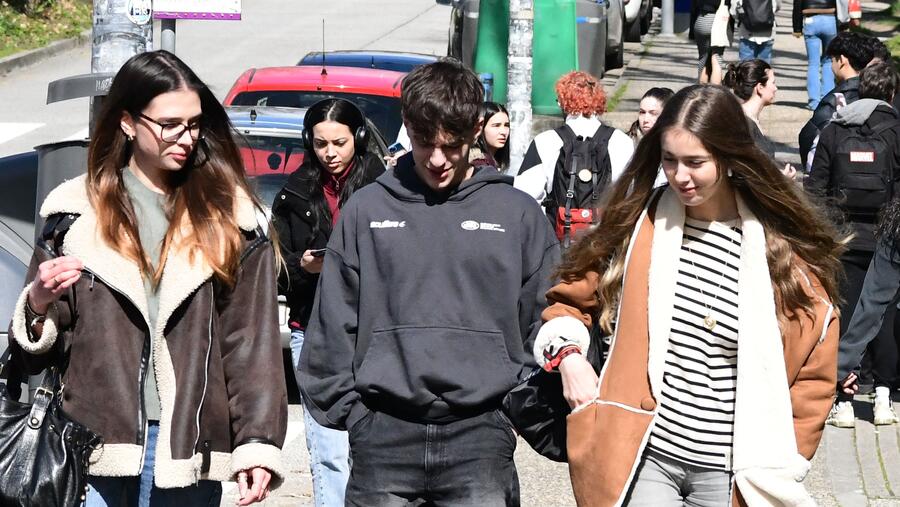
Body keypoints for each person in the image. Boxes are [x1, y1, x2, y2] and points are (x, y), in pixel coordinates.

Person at [534, 84, 842, 506]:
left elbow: (814, 372)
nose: (680, 176)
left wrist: (786, 459)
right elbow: (569, 300)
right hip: (644, 455)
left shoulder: (779, 249)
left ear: (730, 157)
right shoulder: (638, 225)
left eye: (695, 162)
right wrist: (569, 359)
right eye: (669, 160)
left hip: (734, 471)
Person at [7, 50, 286, 506]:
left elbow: (251, 343)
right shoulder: (74, 214)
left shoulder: (233, 219)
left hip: (187, 452)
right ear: (128, 123)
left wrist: (257, 445)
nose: (185, 137)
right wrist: (38, 304)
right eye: (169, 124)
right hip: (90, 448)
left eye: (194, 124)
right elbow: (41, 348)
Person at [297, 59, 560, 506]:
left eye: (451, 145)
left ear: (476, 129)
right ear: (406, 126)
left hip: (481, 437)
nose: (438, 159)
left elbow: (548, 317)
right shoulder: (366, 210)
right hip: (381, 434)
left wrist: (516, 409)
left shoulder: (516, 213)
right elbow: (334, 322)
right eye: (424, 143)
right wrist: (355, 416)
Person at [270, 98, 385, 507]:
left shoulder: (387, 189)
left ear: (357, 138)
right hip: (313, 329)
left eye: (339, 142)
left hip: (375, 334)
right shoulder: (294, 193)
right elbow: (277, 268)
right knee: (330, 453)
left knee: (374, 451)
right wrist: (304, 269)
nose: (330, 153)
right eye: (320, 144)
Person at [807, 61, 900, 427]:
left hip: (842, 237)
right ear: (892, 93)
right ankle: (882, 398)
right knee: (885, 314)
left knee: (846, 315)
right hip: (888, 237)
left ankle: (843, 399)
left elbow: (815, 188)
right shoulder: (897, 131)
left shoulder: (833, 130)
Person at [515, 70, 634, 208]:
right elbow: (632, 191)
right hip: (606, 226)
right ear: (599, 101)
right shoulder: (622, 141)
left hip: (557, 227)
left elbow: (526, 192)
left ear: (561, 103)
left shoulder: (545, 141)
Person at [799, 31, 875, 168]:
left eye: (832, 60)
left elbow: (808, 138)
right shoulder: (882, 93)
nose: (832, 65)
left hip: (842, 175)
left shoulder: (834, 100)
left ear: (842, 60)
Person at [792, 0, 837, 110]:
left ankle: (814, 102)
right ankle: (828, 99)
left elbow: (797, 4)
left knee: (813, 64)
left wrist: (797, 28)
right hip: (830, 19)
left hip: (810, 20)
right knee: (828, 61)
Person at [691, 0, 732, 83]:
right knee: (717, 58)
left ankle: (702, 91)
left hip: (701, 21)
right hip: (719, 21)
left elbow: (694, 7)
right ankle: (714, 92)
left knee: (703, 58)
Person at [475, 101, 511, 172]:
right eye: (496, 125)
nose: (503, 132)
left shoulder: (495, 161)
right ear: (480, 128)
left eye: (506, 125)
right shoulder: (478, 164)